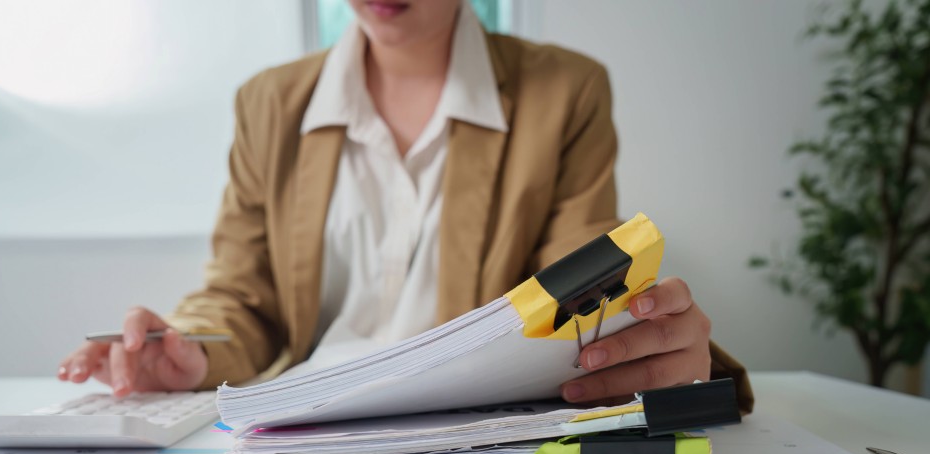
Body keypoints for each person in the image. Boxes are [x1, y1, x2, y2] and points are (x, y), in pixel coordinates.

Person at [57, 0, 752, 412]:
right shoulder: (268, 103)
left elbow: (578, 292)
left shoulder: (564, 92)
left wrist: (658, 345)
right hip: (303, 426)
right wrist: (189, 352)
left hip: (466, 430)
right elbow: (244, 295)